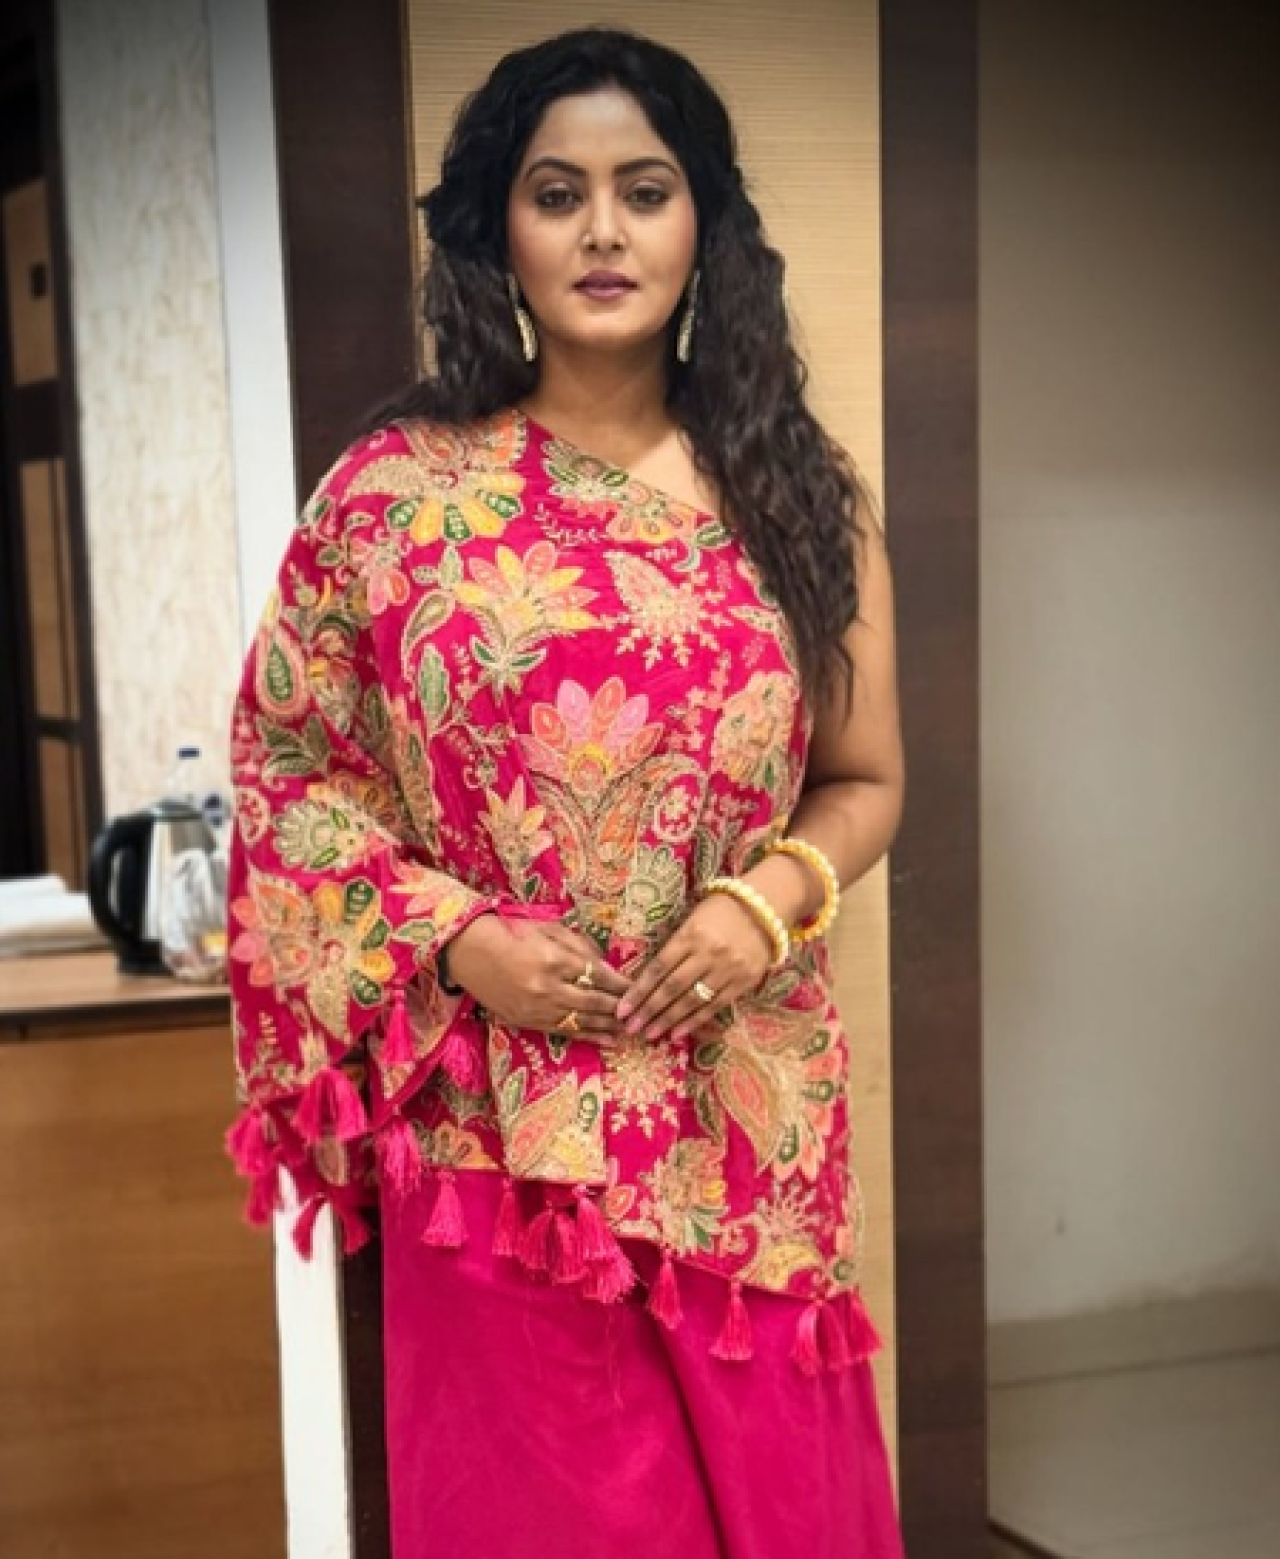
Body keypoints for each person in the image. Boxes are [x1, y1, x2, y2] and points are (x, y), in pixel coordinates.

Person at [226, 25, 905, 1559]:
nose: (604, 230)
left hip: (743, 1114)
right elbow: (287, 775)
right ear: (501, 231)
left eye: (644, 191)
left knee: (782, 1515)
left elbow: (865, 780)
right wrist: (459, 937)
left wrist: (761, 906)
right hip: (500, 1134)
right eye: (558, 193)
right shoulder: (393, 499)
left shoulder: (797, 492)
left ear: (704, 226)